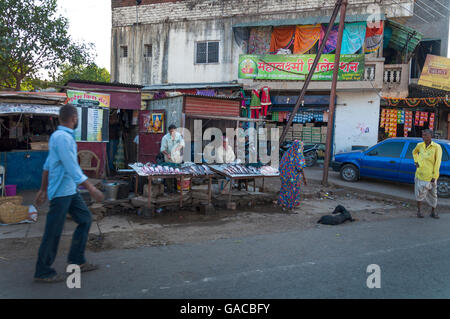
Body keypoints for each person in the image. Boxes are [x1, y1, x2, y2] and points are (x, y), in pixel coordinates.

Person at [34, 104, 104, 283]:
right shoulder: (62, 138)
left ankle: (77, 260)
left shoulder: (60, 137)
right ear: (74, 118)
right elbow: (72, 168)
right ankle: (43, 271)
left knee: (85, 219)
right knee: (53, 231)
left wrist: (42, 189)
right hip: (60, 192)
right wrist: (92, 188)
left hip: (69, 191)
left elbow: (47, 166)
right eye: (77, 117)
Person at [413, 129, 442, 219]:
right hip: (420, 175)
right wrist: (416, 161)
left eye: (426, 135)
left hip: (431, 176)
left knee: (433, 194)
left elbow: (438, 162)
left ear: (431, 136)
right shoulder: (419, 145)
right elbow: (414, 152)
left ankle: (433, 212)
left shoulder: (437, 147)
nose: (423, 137)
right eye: (423, 135)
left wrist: (435, 176)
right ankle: (419, 211)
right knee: (419, 194)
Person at [278, 140, 306, 211]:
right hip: (293, 177)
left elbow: (281, 165)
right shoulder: (299, 154)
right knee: (292, 191)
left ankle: (283, 205)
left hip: (284, 176)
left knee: (284, 189)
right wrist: (304, 177)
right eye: (302, 147)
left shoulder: (287, 153)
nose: (303, 148)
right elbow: (300, 167)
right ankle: (291, 207)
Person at [160, 124, 185, 192]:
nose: (172, 133)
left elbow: (182, 144)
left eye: (173, 131)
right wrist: (167, 154)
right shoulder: (165, 138)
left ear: (176, 130)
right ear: (168, 131)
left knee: (177, 174)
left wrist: (178, 148)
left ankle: (178, 190)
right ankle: (170, 190)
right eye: (170, 132)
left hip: (177, 158)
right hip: (169, 158)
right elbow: (162, 149)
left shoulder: (179, 136)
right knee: (169, 174)